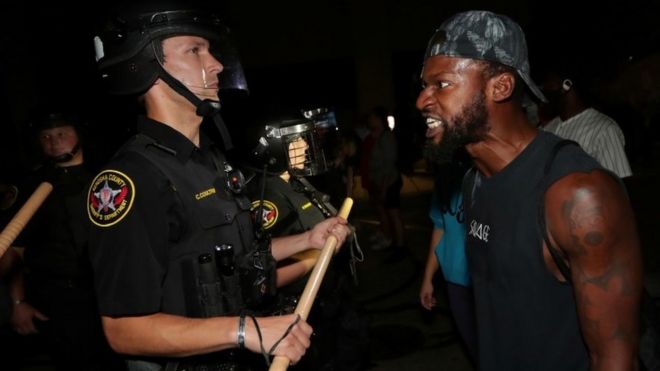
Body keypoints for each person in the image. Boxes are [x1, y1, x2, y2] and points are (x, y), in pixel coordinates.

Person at [88, 3, 350, 370]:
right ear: (147, 67)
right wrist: (244, 331)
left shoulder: (210, 160)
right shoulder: (132, 179)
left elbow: (236, 258)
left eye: (209, 50)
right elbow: (123, 330)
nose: (216, 64)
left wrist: (307, 241)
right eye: (195, 50)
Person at [416, 10, 642, 370]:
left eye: (441, 84)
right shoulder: (474, 182)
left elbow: (614, 359)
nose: (422, 101)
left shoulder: (578, 195)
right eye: (424, 86)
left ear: (501, 87)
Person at [244, 117, 368, 370]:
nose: (305, 146)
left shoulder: (296, 182)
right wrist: (317, 259)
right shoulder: (269, 196)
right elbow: (266, 272)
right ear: (276, 149)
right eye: (295, 141)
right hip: (306, 308)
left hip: (331, 297)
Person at [7, 110, 121, 370]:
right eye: (46, 136)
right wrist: (17, 302)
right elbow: (16, 250)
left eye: (61, 133)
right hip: (58, 299)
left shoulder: (109, 176)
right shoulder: (31, 186)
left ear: (78, 133)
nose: (53, 141)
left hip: (107, 293)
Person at [419, 145, 476, 363]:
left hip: (485, 279)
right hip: (454, 278)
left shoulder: (484, 174)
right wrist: (427, 279)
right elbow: (440, 227)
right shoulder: (445, 178)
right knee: (473, 347)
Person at [540, 63, 633, 178]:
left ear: (567, 85)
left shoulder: (604, 130)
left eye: (549, 83)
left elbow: (618, 185)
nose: (544, 88)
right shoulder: (549, 128)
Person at [358, 106, 405, 257]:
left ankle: (400, 246)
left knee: (394, 215)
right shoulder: (376, 136)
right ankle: (393, 242)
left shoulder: (387, 137)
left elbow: (388, 166)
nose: (369, 120)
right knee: (387, 214)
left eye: (372, 117)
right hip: (381, 183)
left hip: (390, 182)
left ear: (379, 119)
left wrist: (384, 188)